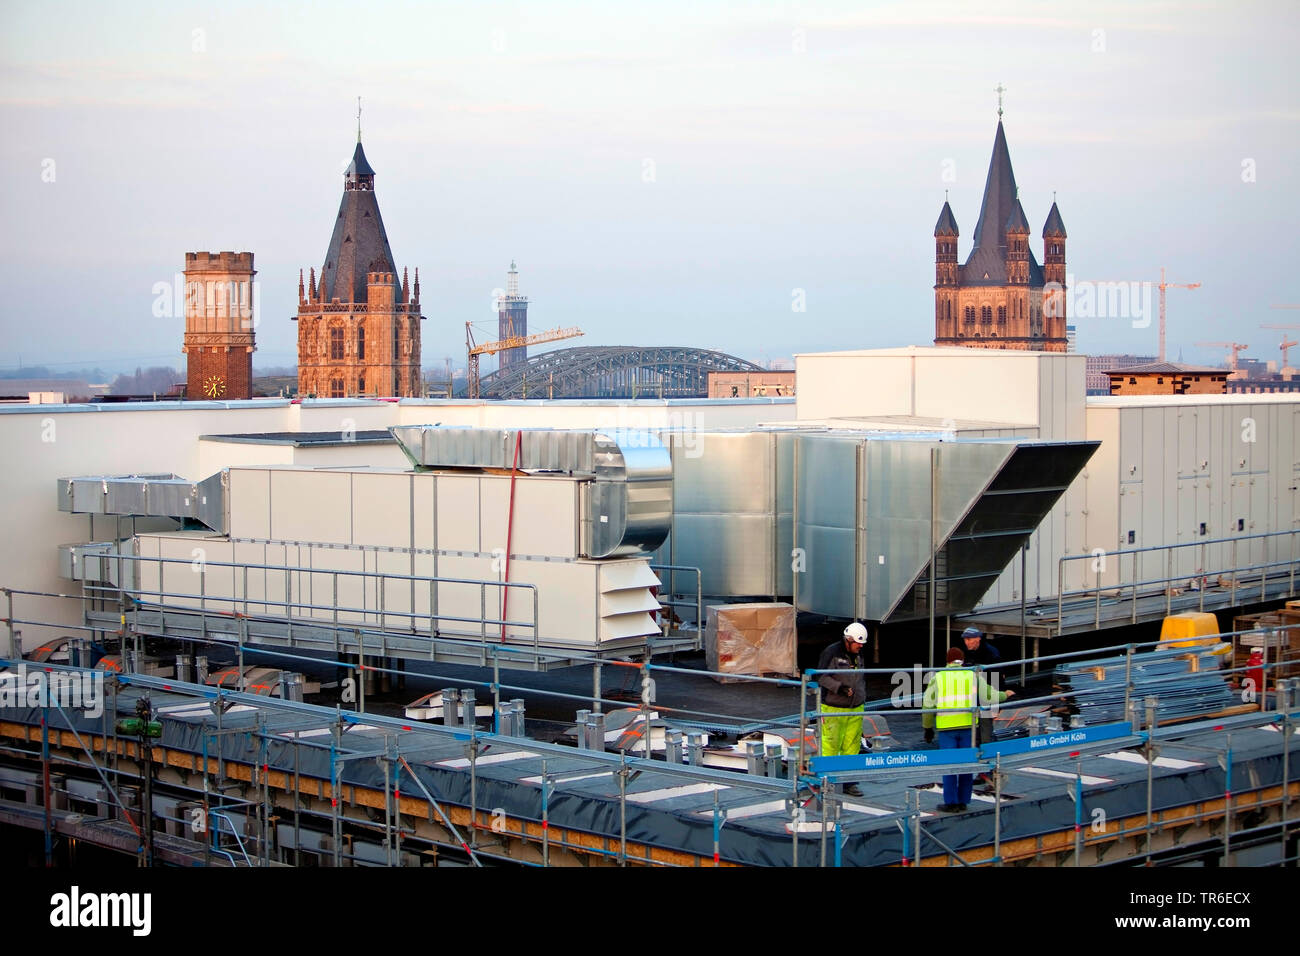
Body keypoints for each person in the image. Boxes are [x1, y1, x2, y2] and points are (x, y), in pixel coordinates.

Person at [922, 646, 1014, 812]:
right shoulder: (972, 675)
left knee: (949, 765)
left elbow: (928, 704)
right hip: (968, 727)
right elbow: (989, 696)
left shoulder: (939, 677)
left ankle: (951, 803)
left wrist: (927, 728)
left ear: (948, 661)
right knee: (967, 764)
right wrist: (1005, 694)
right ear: (962, 661)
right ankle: (963, 800)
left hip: (947, 728)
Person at [817, 621, 869, 797]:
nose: (860, 646)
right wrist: (839, 688)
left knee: (852, 746)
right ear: (848, 640)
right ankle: (828, 781)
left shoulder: (858, 654)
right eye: (857, 643)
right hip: (834, 707)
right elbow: (821, 676)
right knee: (831, 744)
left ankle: (848, 782)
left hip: (855, 707)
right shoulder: (832, 653)